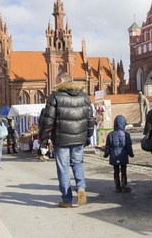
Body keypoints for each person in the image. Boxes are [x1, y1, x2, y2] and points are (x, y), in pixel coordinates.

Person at [38, 72, 94, 208]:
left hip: (61, 139)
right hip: (79, 138)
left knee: (63, 168)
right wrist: (88, 135)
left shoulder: (55, 97)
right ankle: (81, 187)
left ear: (61, 80)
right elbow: (90, 119)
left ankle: (67, 200)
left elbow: (47, 121)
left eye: (57, 80)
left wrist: (43, 139)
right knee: (78, 164)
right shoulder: (84, 97)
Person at [103, 115, 134, 193]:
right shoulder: (126, 135)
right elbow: (128, 146)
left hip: (114, 154)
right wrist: (131, 154)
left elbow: (108, 147)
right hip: (123, 154)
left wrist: (106, 154)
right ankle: (124, 186)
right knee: (124, 170)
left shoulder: (110, 134)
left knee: (116, 171)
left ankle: (117, 186)